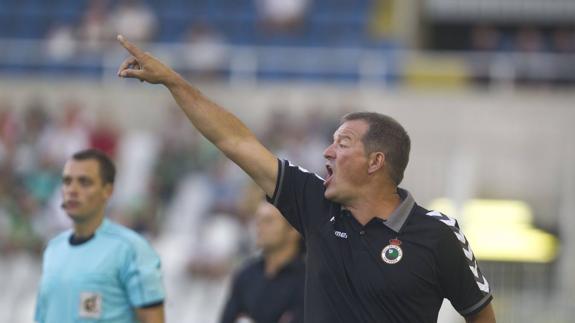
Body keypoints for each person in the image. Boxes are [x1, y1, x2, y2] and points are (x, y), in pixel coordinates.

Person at [116, 35, 496, 323]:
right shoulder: (316, 206)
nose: (328, 153)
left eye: (342, 143)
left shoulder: (437, 234)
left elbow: (481, 316)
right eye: (330, 142)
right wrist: (174, 83)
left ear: (376, 162)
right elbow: (234, 141)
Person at [34, 148, 165, 323]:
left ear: (107, 191)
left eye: (84, 182)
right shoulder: (53, 249)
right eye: (67, 181)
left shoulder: (131, 249)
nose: (72, 190)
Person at [220, 201, 305, 323]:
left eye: (268, 221)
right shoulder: (246, 274)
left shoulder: (308, 281)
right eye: (258, 220)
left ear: (293, 230)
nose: (259, 226)